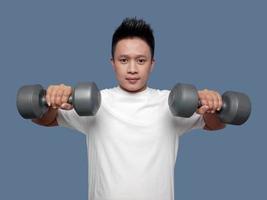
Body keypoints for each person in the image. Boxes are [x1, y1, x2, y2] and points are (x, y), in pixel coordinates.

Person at [32, 17, 225, 200]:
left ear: (152, 64)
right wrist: (53, 100)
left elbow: (214, 125)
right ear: (113, 63)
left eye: (141, 60)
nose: (132, 69)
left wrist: (210, 107)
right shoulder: (95, 102)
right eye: (124, 60)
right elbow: (44, 120)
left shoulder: (171, 102)